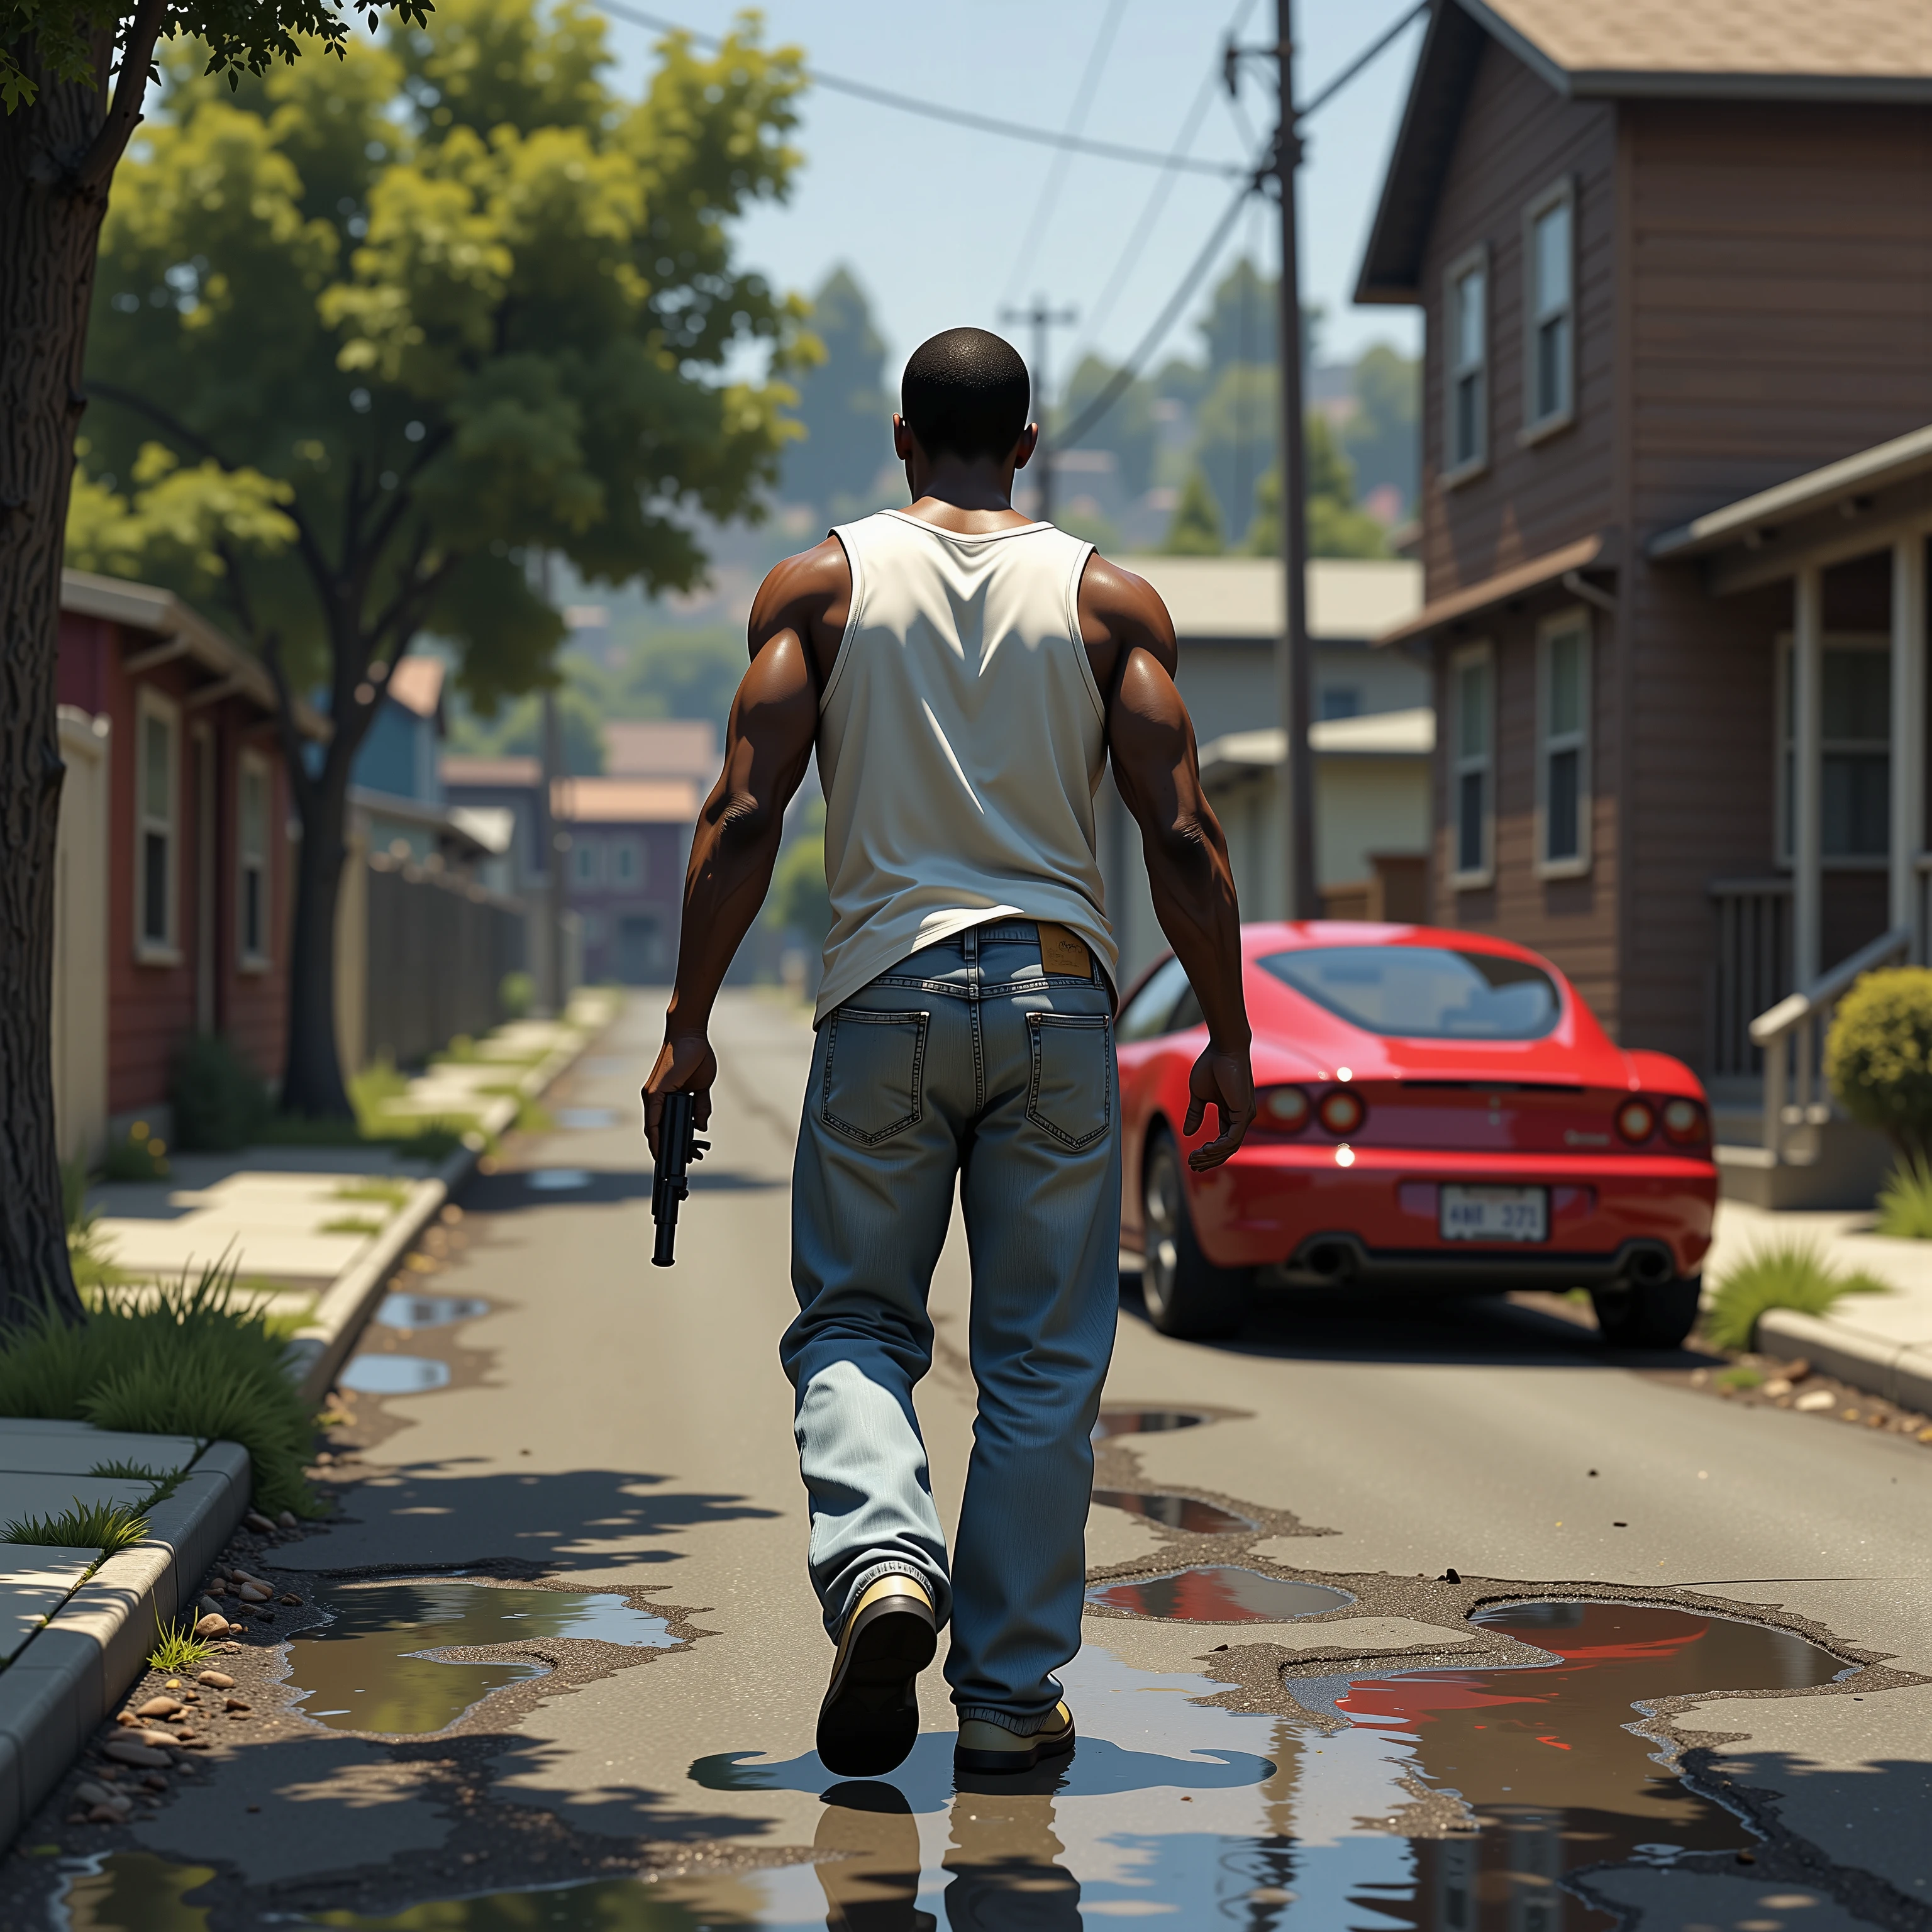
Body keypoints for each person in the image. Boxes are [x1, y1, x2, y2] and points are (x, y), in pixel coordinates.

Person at [645, 326, 1253, 1779]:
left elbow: (743, 814)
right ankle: (1003, 1697)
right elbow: (1181, 831)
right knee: (1045, 1366)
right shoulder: (1110, 603)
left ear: (904, 443)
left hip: (885, 999)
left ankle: (880, 1572)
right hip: (1058, 1003)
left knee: (856, 1322)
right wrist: (1227, 1032)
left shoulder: (823, 588)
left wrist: (687, 1029)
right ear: (1027, 449)